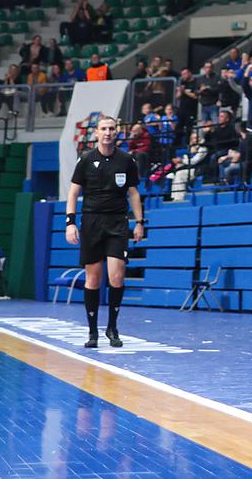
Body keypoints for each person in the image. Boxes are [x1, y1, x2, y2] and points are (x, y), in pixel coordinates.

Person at [65, 117, 146, 348]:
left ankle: (112, 327)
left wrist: (139, 222)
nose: (108, 133)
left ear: (117, 132)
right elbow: (73, 194)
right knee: (93, 278)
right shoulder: (86, 159)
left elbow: (133, 194)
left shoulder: (126, 160)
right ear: (97, 133)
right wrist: (70, 223)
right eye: (103, 129)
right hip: (91, 223)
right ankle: (92, 332)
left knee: (117, 276)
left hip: (117, 223)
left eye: (111, 129)